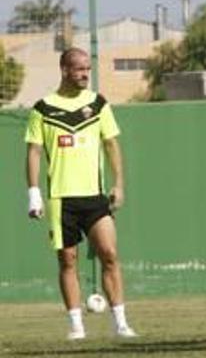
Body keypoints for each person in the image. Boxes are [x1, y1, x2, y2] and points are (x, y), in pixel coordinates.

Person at [24, 47, 137, 340]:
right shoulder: (43, 108)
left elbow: (112, 144)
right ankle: (76, 326)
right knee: (68, 261)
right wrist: (33, 192)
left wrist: (119, 184)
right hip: (62, 199)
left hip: (95, 197)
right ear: (64, 70)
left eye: (88, 68)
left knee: (110, 255)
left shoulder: (98, 104)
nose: (86, 74)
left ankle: (121, 323)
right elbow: (34, 151)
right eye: (79, 69)